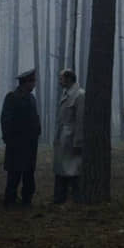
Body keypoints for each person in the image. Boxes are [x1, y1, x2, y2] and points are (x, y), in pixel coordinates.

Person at [0, 68, 41, 207]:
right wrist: (9, 139)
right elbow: (6, 120)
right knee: (14, 173)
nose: (34, 84)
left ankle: (27, 199)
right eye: (32, 81)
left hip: (30, 144)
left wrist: (37, 132)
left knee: (29, 173)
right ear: (26, 83)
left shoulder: (31, 98)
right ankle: (10, 200)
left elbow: (34, 118)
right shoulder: (12, 97)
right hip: (17, 144)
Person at [53, 69, 85, 204]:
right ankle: (61, 197)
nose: (59, 81)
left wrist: (78, 142)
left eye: (61, 78)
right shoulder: (66, 93)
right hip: (63, 138)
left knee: (74, 170)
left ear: (69, 79)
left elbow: (80, 120)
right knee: (62, 170)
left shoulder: (79, 95)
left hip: (71, 139)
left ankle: (75, 198)